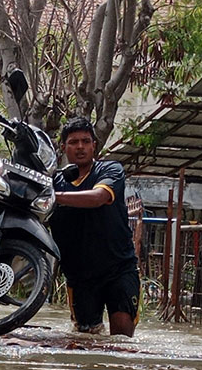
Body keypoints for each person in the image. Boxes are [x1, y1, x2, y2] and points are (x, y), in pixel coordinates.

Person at [51, 117, 140, 336]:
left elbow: (99, 197)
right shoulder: (55, 181)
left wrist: (53, 197)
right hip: (79, 275)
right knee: (85, 338)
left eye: (85, 141)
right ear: (64, 148)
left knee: (122, 339)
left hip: (118, 268)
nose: (80, 147)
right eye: (73, 142)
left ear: (94, 145)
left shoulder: (110, 170)